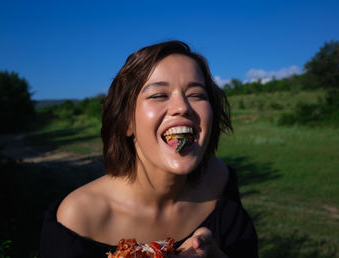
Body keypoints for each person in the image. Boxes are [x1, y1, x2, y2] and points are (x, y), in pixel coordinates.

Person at [40, 41, 258, 257]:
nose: (182, 107)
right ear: (126, 122)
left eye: (196, 95)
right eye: (158, 95)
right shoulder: (79, 219)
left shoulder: (220, 181)